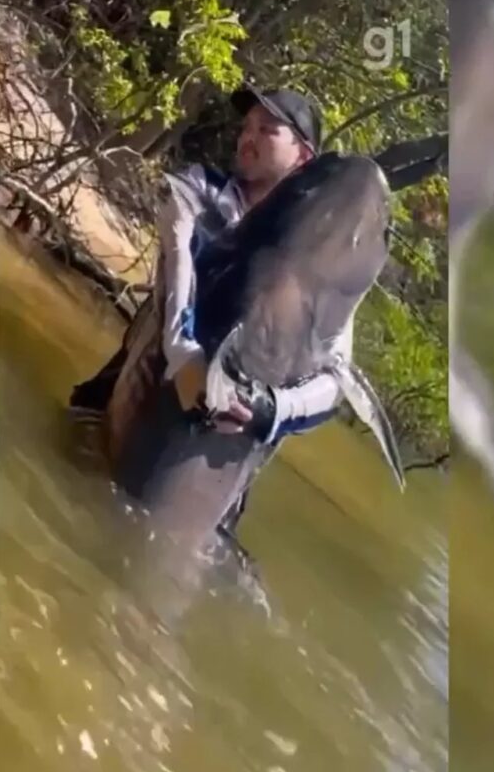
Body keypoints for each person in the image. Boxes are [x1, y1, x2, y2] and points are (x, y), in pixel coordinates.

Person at [70, 85, 364, 544]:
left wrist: (271, 410)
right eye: (247, 127)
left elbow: (336, 381)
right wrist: (188, 363)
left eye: (268, 130)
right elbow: (178, 284)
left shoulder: (318, 268)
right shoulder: (194, 192)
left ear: (303, 157)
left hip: (215, 468)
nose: (248, 136)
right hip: (128, 399)